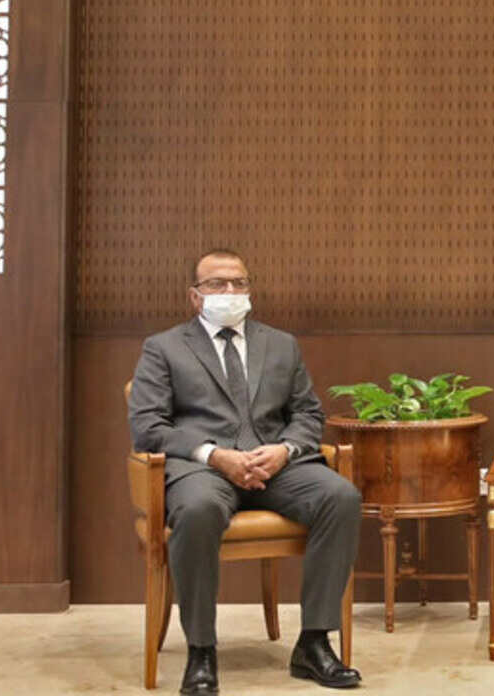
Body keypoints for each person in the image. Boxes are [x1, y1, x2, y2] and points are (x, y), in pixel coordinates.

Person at [129, 249, 362, 694]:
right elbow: (148, 426)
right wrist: (215, 456)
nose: (230, 291)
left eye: (239, 283)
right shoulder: (164, 348)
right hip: (204, 470)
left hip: (275, 466)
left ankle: (313, 643)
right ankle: (201, 651)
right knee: (197, 510)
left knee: (340, 497)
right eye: (217, 284)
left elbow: (308, 414)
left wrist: (285, 450)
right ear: (195, 296)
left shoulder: (281, 344)